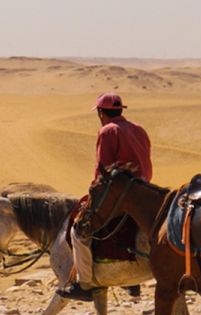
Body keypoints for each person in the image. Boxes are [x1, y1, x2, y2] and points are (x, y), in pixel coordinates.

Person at [58, 93, 153, 301]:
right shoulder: (139, 129)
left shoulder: (107, 131)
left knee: (79, 230)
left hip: (121, 193)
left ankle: (84, 283)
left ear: (101, 113)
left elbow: (103, 170)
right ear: (120, 110)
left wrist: (95, 193)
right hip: (145, 191)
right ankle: (131, 281)